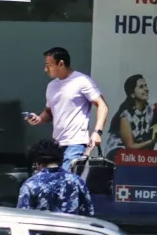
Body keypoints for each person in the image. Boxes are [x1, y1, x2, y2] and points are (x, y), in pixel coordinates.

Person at [24, 46, 108, 174]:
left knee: (66, 180)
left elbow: (102, 105)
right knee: (55, 181)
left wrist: (97, 132)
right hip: (57, 144)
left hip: (76, 142)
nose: (45, 69)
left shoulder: (82, 81)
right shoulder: (52, 86)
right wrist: (38, 119)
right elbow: (49, 112)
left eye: (49, 65)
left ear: (61, 64)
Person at [17, 139, 93, 219]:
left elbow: (22, 216)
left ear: (38, 162)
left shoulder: (31, 184)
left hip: (42, 230)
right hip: (73, 230)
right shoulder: (77, 181)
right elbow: (88, 213)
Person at [109, 74, 155, 156]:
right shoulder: (125, 115)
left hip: (138, 152)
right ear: (132, 94)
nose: (146, 89)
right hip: (119, 153)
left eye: (145, 86)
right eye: (141, 87)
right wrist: (152, 141)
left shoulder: (150, 110)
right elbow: (130, 147)